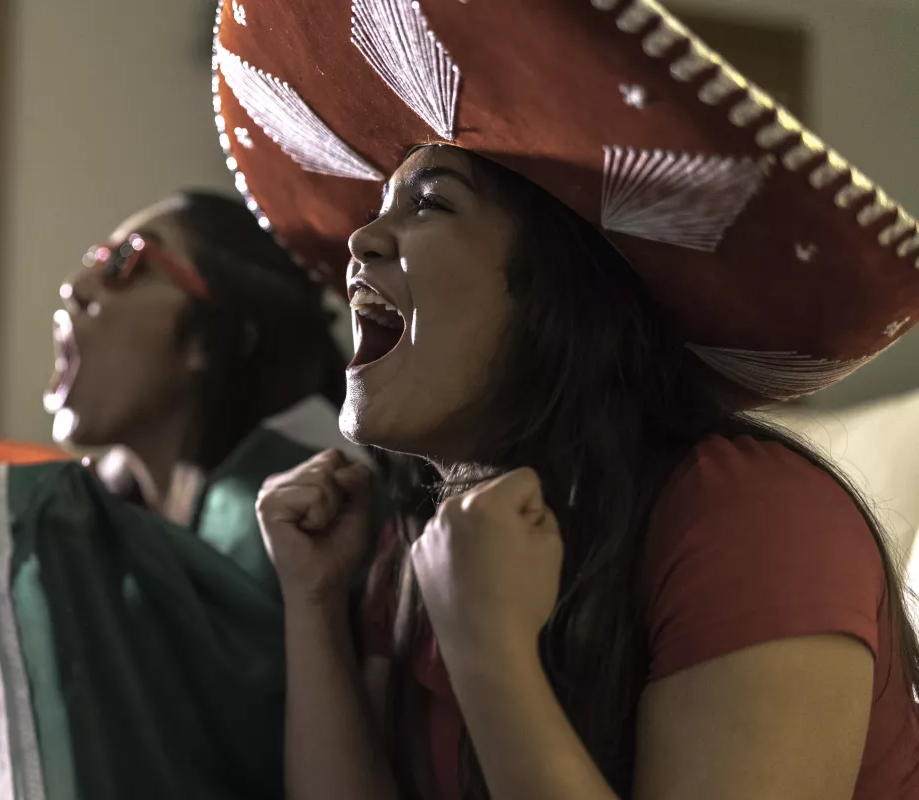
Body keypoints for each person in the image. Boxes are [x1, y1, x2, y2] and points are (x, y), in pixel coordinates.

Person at [212, 0, 919, 797]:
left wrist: (486, 646)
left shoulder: (757, 516)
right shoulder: (410, 542)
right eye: (377, 208)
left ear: (562, 290)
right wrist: (313, 603)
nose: (361, 241)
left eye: (430, 203)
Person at [0, 189, 364, 800]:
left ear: (208, 340)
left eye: (126, 262)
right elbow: (37, 739)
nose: (76, 284)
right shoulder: (116, 520)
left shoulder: (285, 510)